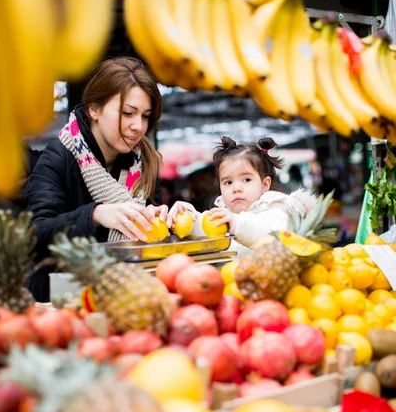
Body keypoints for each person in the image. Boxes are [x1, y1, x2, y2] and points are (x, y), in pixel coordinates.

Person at [26, 57, 166, 302]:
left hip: (131, 298)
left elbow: (152, 238)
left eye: (145, 116)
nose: (138, 126)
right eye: (127, 113)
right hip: (64, 302)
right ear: (94, 109)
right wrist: (94, 215)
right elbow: (35, 235)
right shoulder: (59, 157)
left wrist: (170, 220)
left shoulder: (146, 163)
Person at [168, 136, 318, 258]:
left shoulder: (278, 209)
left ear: (264, 184)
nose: (236, 188)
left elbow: (270, 237)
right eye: (228, 182)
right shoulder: (227, 214)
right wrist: (185, 217)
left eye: (246, 180)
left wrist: (235, 223)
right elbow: (205, 227)